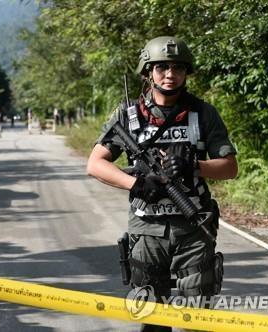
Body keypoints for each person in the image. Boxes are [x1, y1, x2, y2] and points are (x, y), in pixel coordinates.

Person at [87, 36, 238, 331]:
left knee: (198, 316)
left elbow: (230, 168)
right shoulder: (129, 116)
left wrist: (194, 165)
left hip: (194, 227)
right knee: (152, 318)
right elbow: (95, 163)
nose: (170, 75)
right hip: (147, 230)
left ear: (186, 72)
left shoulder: (203, 113)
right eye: (162, 68)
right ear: (148, 72)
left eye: (178, 68)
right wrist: (136, 185)